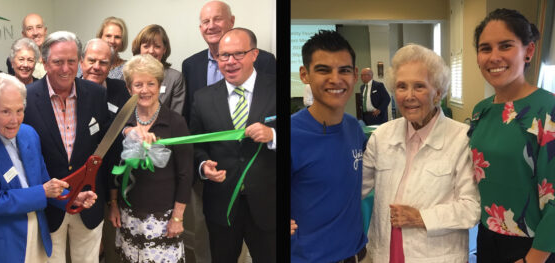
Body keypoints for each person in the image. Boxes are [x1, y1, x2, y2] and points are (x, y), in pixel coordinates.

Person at [0, 73, 97, 263]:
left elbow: (43, 183)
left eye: (19, 110)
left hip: (38, 237)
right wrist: (43, 191)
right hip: (3, 246)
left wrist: (73, 197)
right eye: (6, 111)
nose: (15, 120)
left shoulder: (28, 134)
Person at [362, 44, 479, 262]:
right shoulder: (382, 136)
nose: (409, 95)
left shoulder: (462, 139)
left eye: (419, 86)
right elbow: (355, 188)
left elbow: (472, 208)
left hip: (434, 252)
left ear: (437, 92)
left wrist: (420, 217)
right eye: (401, 86)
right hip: (385, 249)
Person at [469, 8, 555, 263]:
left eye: (505, 46)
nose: (494, 57)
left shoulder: (547, 109)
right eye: (485, 48)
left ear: (528, 51)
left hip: (535, 245)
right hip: (486, 236)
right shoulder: (480, 111)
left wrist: (534, 259)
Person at [23, 31, 114, 263]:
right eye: (58, 62)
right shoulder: (26, 98)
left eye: (71, 61)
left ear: (79, 61)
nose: (66, 69)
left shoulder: (96, 94)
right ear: (44, 63)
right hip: (49, 206)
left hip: (89, 201)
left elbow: (106, 140)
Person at [191, 27, 276, 263]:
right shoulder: (202, 98)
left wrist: (274, 134)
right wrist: (202, 165)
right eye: (223, 55)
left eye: (238, 54)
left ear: (254, 54)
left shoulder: (277, 88)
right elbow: (196, 144)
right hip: (221, 204)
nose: (230, 62)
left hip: (268, 204)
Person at [290, 30, 367, 262]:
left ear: (354, 75)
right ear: (305, 74)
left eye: (344, 70)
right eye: (323, 70)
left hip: (353, 253)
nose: (336, 79)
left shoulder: (355, 128)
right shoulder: (292, 134)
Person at [108, 54, 193, 262]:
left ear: (160, 86)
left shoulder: (175, 122)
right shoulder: (122, 120)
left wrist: (177, 217)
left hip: (162, 216)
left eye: (150, 83)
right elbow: (113, 166)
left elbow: (186, 174)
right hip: (128, 211)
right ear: (129, 89)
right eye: (138, 84)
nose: (144, 90)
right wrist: (113, 204)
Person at [181, 0, 275, 122]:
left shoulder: (265, 60)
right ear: (201, 28)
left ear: (232, 21)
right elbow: (189, 114)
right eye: (206, 22)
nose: (211, 26)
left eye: (217, 19)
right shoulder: (190, 65)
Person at [131, 24, 185, 115]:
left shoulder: (175, 78)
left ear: (164, 49)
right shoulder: (128, 76)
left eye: (157, 46)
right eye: (146, 46)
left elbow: (176, 116)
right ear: (139, 48)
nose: (151, 51)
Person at [79, 38, 130, 116]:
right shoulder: (70, 90)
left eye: (103, 63)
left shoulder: (121, 89)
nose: (96, 67)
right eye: (92, 61)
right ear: (81, 62)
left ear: (110, 66)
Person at [9, 13, 48, 79]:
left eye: (39, 27)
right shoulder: (14, 59)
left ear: (45, 31)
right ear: (24, 34)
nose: (35, 33)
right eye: (30, 29)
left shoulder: (55, 56)